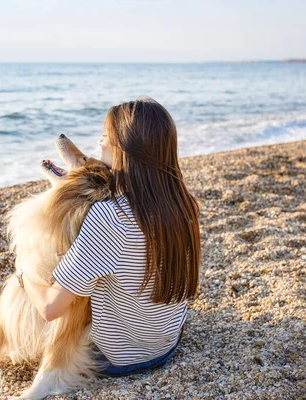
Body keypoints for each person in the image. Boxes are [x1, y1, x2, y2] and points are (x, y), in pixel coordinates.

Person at [19, 97, 201, 376]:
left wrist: (22, 274)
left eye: (106, 137)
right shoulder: (181, 202)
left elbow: (50, 308)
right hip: (167, 342)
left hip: (119, 356)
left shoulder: (110, 216)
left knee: (37, 283)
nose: (99, 144)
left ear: (128, 148)